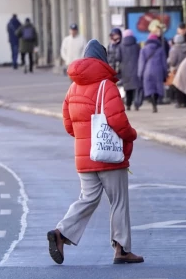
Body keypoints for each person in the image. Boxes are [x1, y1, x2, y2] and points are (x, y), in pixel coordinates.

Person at [48, 40, 142, 265]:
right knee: (118, 201)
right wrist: (131, 134)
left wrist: (83, 137)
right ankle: (122, 249)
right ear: (103, 60)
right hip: (108, 156)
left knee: (88, 198)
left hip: (84, 156)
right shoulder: (106, 85)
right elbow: (118, 121)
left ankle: (61, 232)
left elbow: (69, 125)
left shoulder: (72, 87)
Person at [138, 23, 168, 113]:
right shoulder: (160, 49)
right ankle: (156, 101)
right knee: (157, 87)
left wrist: (140, 73)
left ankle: (153, 103)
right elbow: (164, 62)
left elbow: (141, 62)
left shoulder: (143, 49)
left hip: (147, 70)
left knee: (150, 88)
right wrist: (165, 73)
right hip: (158, 70)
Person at [118, 29, 141, 111]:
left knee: (127, 89)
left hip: (125, 70)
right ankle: (136, 103)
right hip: (136, 68)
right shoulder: (137, 45)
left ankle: (128, 104)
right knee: (136, 88)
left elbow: (118, 57)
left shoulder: (121, 46)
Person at [168, 34, 186, 108]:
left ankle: (180, 102)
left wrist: (169, 62)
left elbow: (172, 61)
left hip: (177, 69)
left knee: (178, 86)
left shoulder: (174, 49)